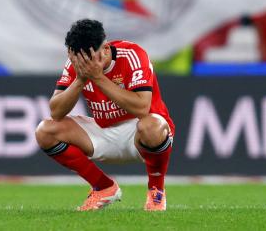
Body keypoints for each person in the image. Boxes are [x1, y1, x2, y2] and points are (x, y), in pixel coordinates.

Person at [36, 19, 174, 211]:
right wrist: (80, 79)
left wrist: (98, 77)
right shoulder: (77, 64)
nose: (83, 63)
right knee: (45, 131)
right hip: (104, 131)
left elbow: (142, 108)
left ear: (105, 48)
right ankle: (103, 187)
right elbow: (56, 111)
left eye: (88, 58)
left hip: (138, 132)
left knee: (151, 126)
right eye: (78, 58)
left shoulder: (132, 54)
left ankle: (156, 191)